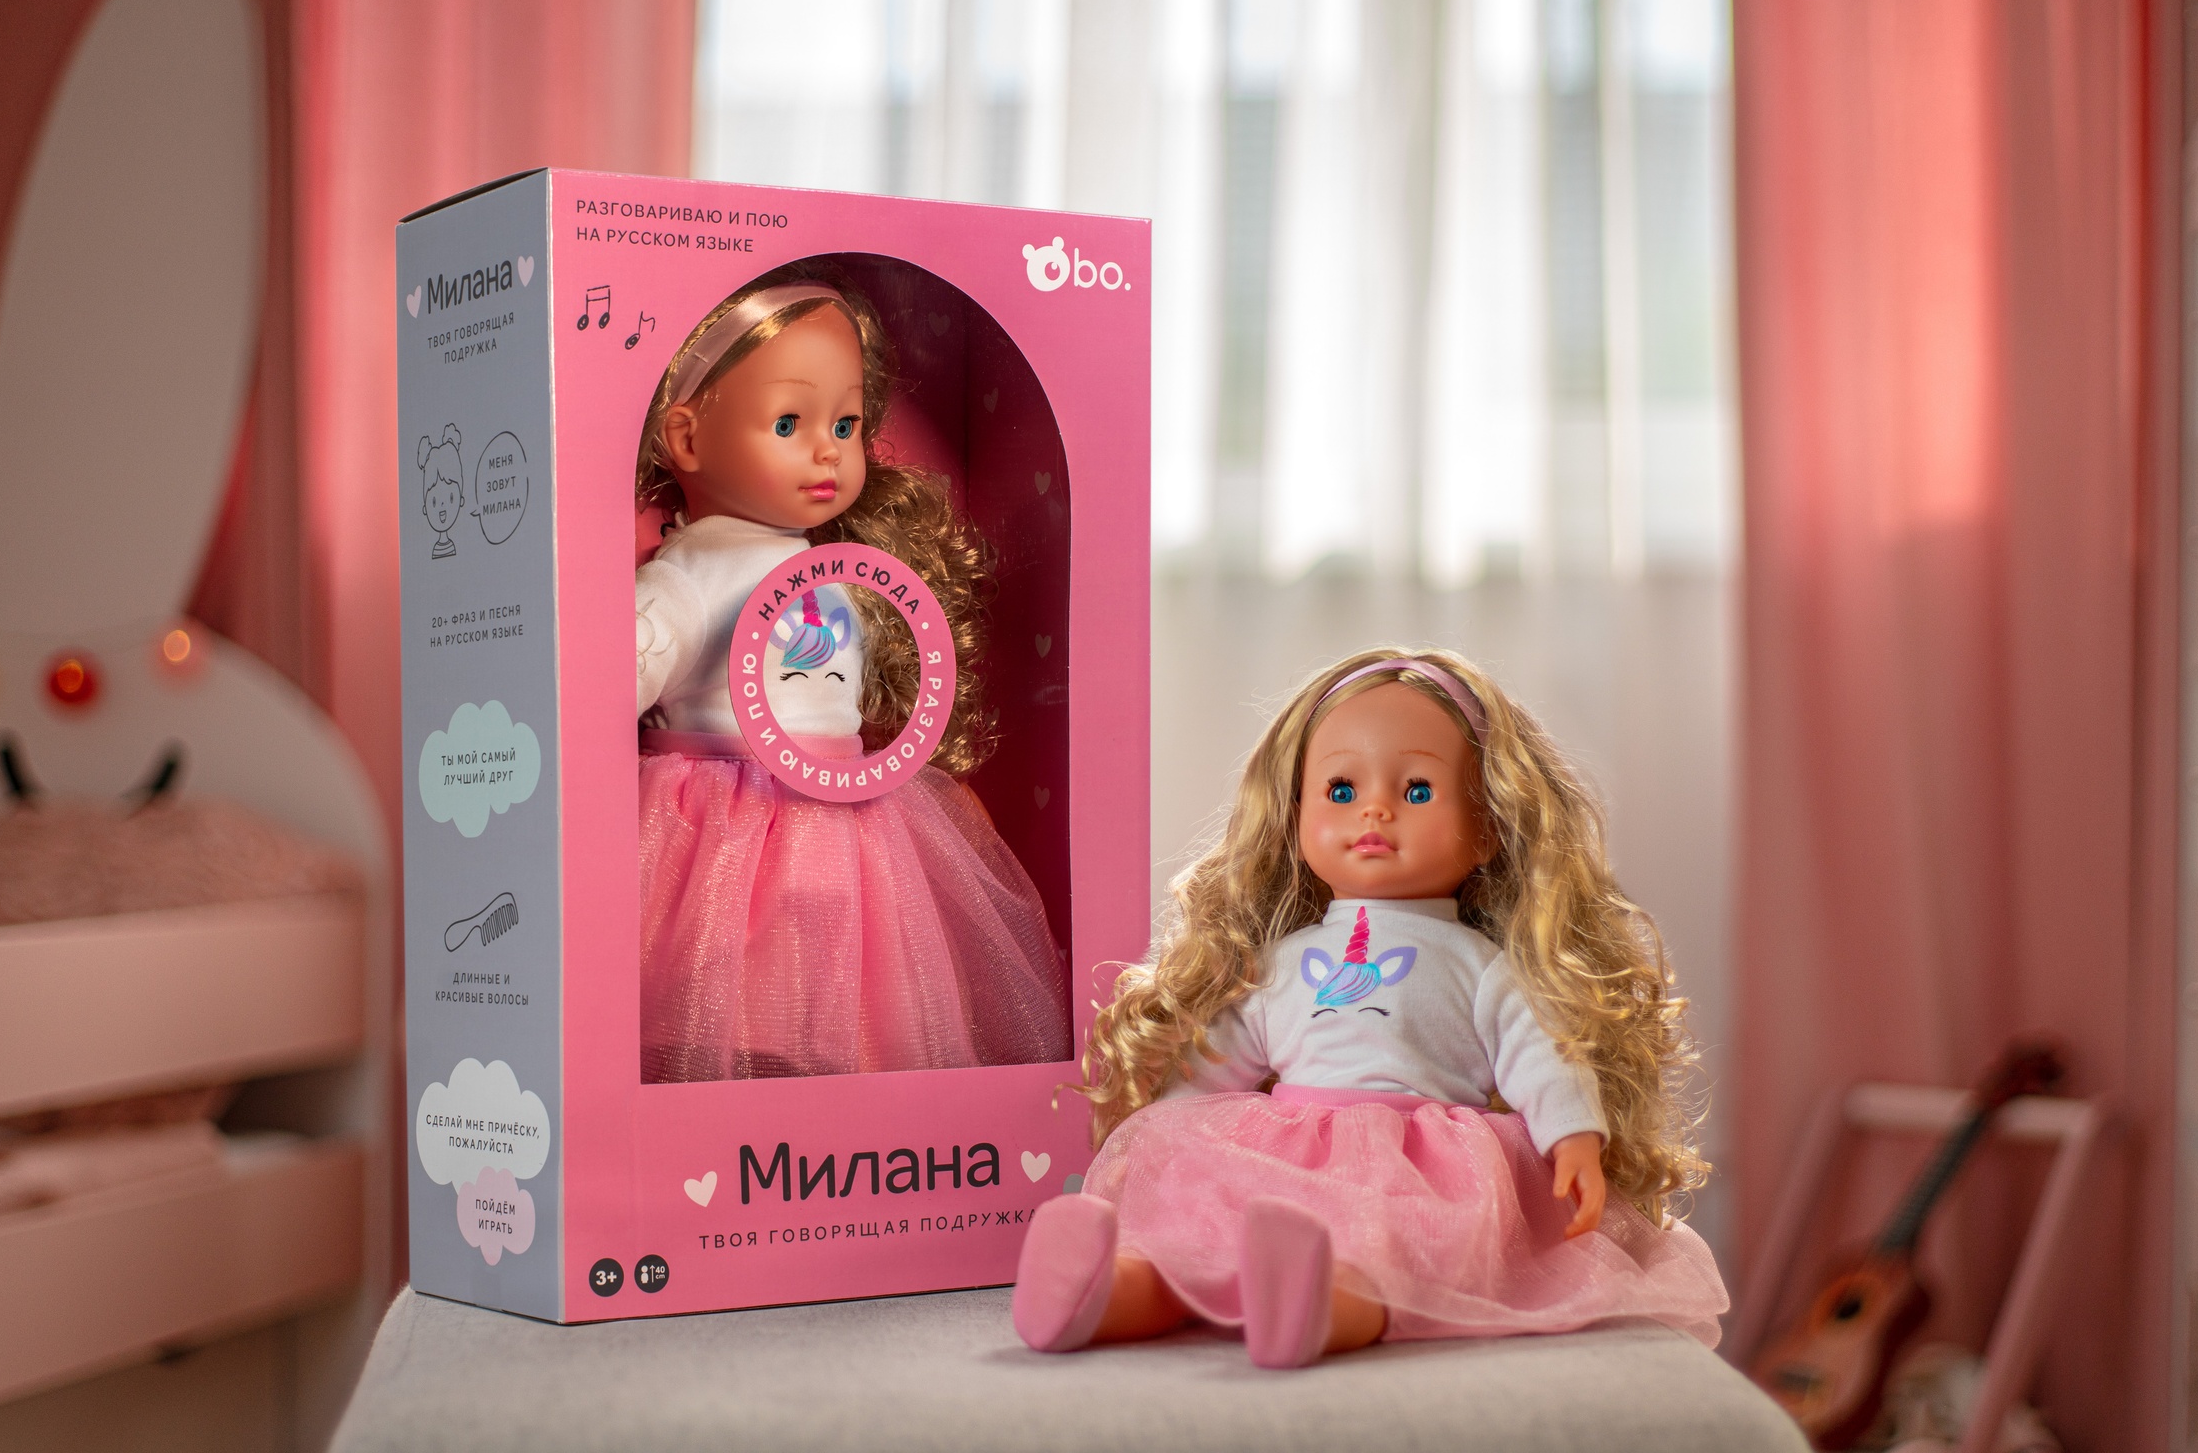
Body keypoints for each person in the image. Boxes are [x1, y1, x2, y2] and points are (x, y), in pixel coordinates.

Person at [1017, 648, 1727, 1367]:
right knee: (1196, 1246)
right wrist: (1164, 1129)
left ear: (1488, 826)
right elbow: (1219, 1057)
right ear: (1295, 816)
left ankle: (1319, 1304)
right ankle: (1106, 1290)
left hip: (1423, 1168)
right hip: (1280, 1151)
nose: (1375, 809)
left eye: (1417, 789)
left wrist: (1571, 1136)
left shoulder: (1482, 968)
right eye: (1341, 787)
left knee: (1395, 1267)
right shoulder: (1279, 963)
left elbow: (1540, 1050)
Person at [632, 267, 1067, 1082]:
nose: (828, 448)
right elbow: (613, 683)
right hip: (719, 825)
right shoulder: (687, 578)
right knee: (728, 1002)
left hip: (844, 821)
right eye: (789, 422)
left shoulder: (837, 569)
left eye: (846, 423)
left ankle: (828, 1135)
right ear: (686, 439)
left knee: (853, 1008)